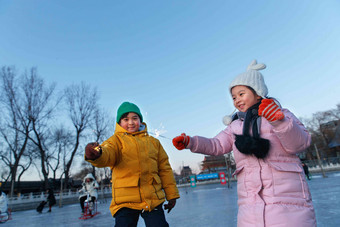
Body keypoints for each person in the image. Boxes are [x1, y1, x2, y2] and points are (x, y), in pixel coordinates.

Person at [172, 60, 317, 227]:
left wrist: (279, 122)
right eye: (233, 97)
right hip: (250, 208)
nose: (237, 100)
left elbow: (300, 144)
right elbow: (216, 145)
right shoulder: (236, 125)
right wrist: (191, 142)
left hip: (288, 204)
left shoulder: (282, 114)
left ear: (258, 93)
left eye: (241, 94)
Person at [84, 102, 180, 227]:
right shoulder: (115, 141)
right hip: (125, 201)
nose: (131, 122)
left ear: (140, 120)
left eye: (135, 118)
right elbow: (107, 154)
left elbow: (164, 170)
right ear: (119, 123)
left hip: (152, 198)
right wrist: (97, 154)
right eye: (126, 119)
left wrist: (171, 195)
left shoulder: (154, 142)